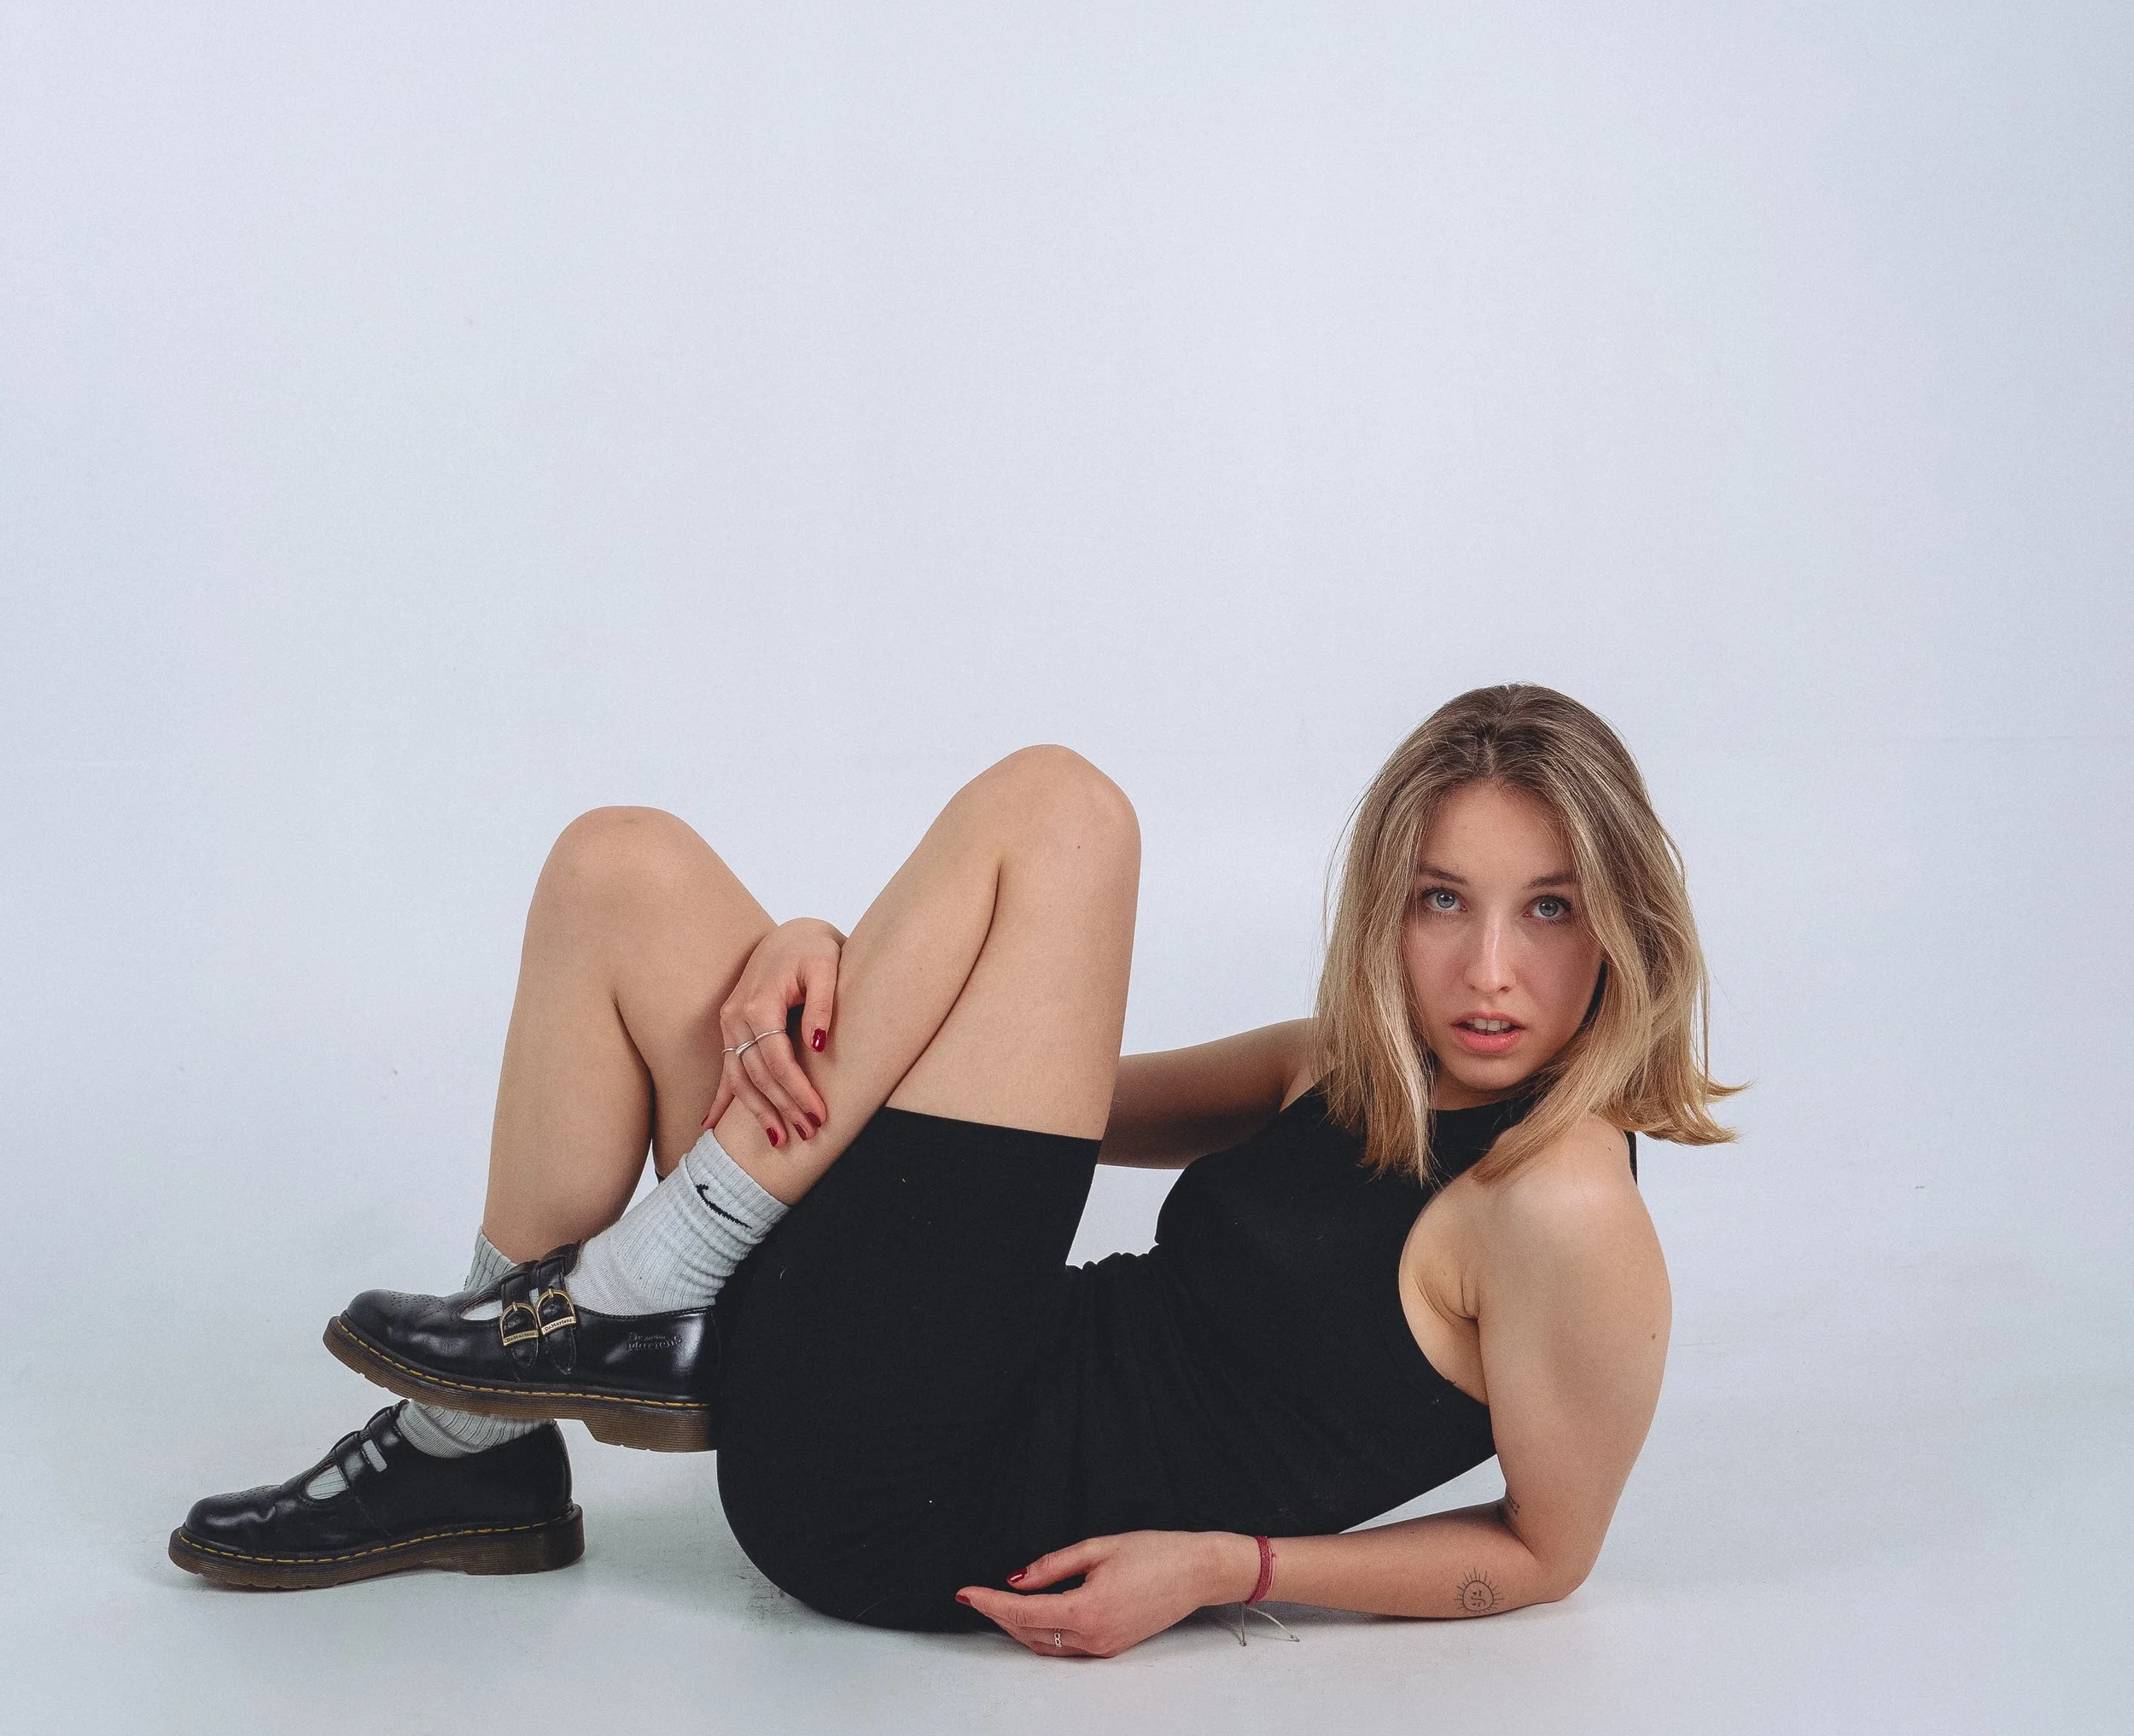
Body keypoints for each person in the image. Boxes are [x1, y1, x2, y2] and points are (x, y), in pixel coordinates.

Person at [172, 684, 1736, 1653]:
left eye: (1547, 908)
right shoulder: (1352, 1063)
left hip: (937, 1495)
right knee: (621, 866)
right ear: (1388, 909)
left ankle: (640, 1292)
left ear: (1624, 923)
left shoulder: (1563, 1210)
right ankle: (474, 1451)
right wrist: (827, 966)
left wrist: (1227, 1568)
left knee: (1063, 812)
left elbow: (1548, 1550)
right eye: (1443, 898)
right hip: (919, 1357)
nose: (1486, 966)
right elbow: (1040, 1097)